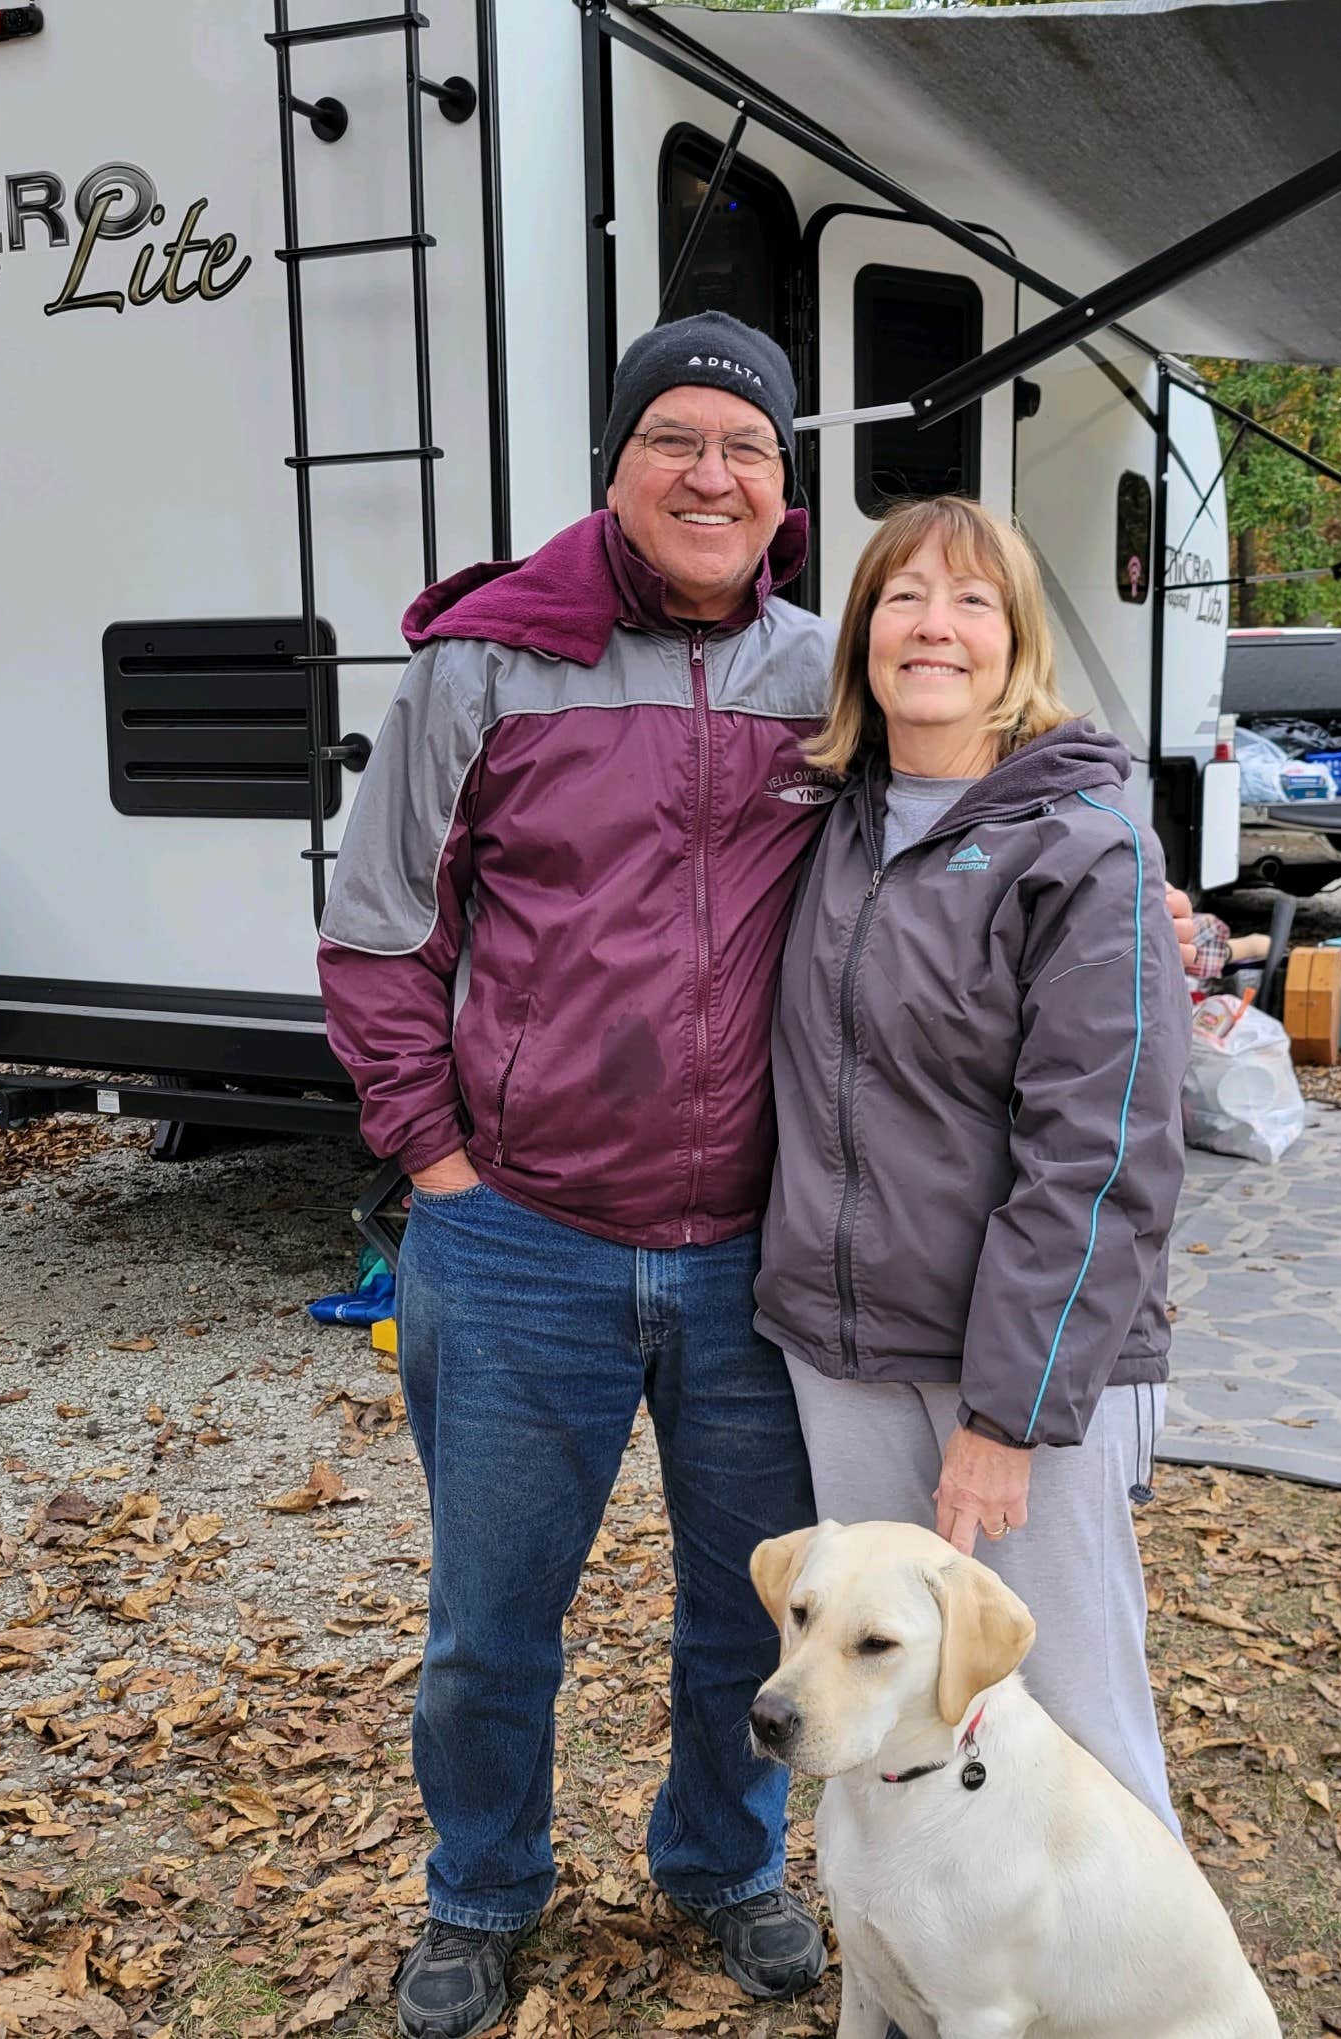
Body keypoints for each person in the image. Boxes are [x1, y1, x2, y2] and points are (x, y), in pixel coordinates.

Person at [317, 312, 838, 2039]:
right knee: (491, 1622)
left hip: (757, 1248)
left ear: (784, 489)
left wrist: (1136, 897)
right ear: (614, 468)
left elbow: (974, 827)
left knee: (751, 1619)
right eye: (674, 439)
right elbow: (378, 931)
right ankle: (480, 1889)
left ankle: (724, 1863)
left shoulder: (825, 675)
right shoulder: (485, 665)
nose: (712, 474)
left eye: (747, 448)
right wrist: (437, 1159)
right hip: (521, 1239)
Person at [754, 494, 1191, 1836]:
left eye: (971, 600)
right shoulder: (830, 826)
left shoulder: (1085, 846)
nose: (933, 625)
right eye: (902, 596)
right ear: (861, 637)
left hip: (1010, 1372)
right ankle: (930, 1945)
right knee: (892, 1716)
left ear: (1017, 641)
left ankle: (1144, 1949)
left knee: (1068, 1710)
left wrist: (1007, 1418)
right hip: (846, 1354)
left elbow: (1100, 1154)